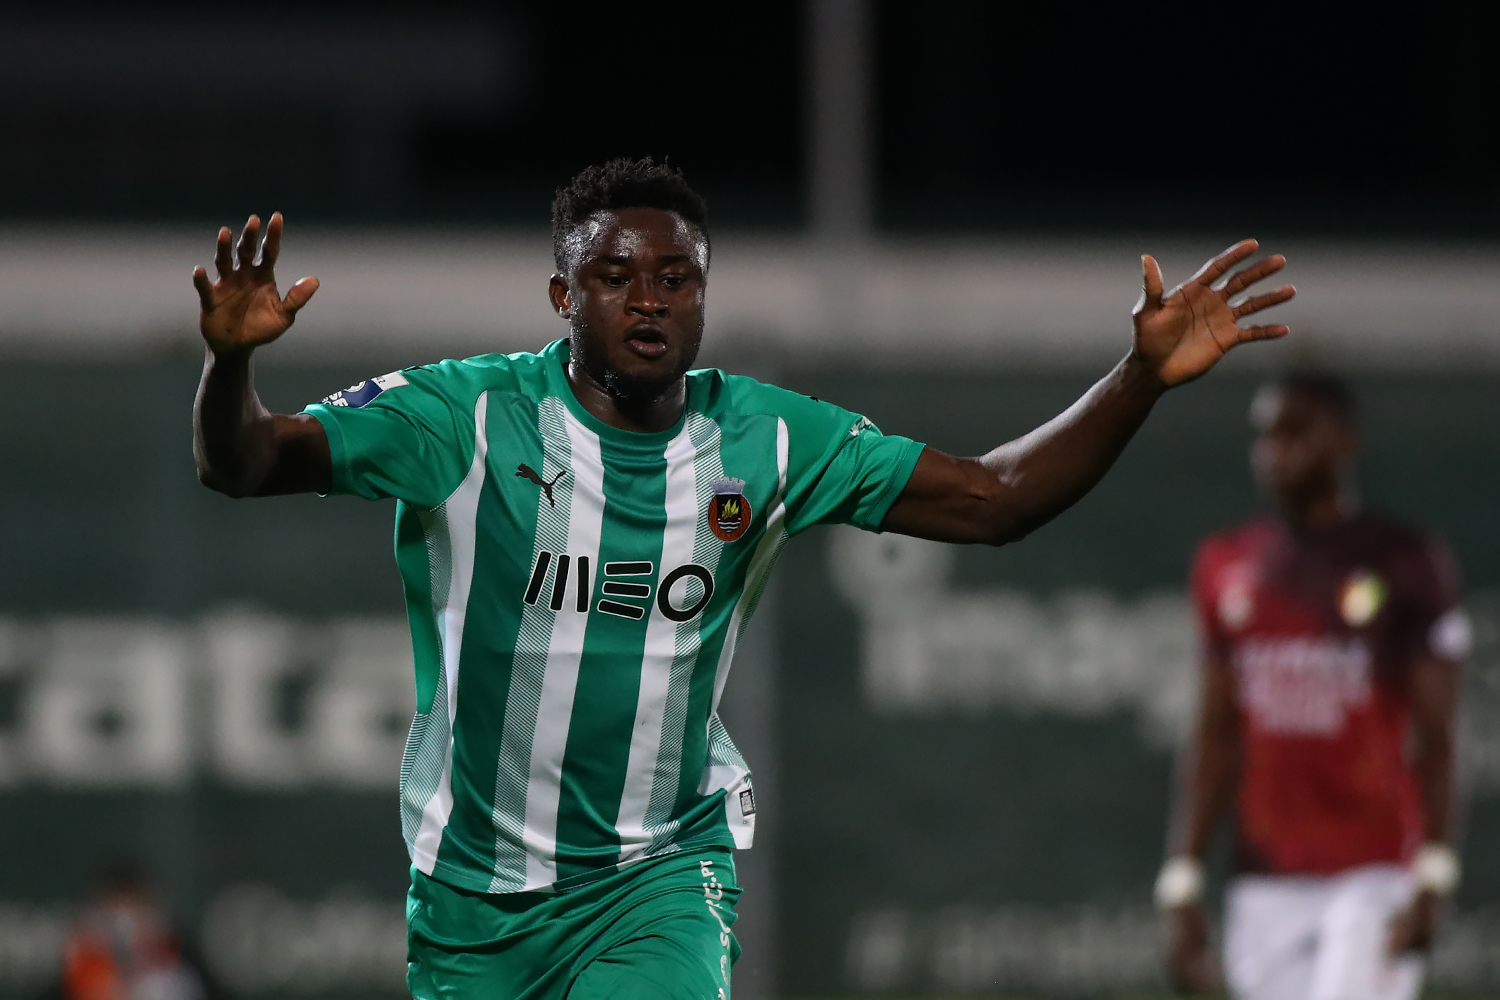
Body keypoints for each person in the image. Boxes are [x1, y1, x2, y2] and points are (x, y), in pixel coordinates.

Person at [191, 157, 1293, 999]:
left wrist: (1140, 377)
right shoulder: (465, 415)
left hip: (655, 875)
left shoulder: (766, 439)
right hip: (473, 898)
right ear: (563, 294)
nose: (650, 300)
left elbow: (994, 499)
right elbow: (242, 464)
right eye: (616, 277)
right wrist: (232, 360)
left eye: (676, 278)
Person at [1156, 375, 1468, 1000]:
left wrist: (1434, 875)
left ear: (1344, 441)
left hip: (1373, 870)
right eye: (1266, 436)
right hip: (1264, 877)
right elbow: (1215, 735)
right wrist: (1182, 878)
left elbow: (1438, 737)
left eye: (1296, 433)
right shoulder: (1228, 563)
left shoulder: (1404, 562)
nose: (1275, 452)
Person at [61, 863, 204, 1000]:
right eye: (113, 906)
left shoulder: (173, 977)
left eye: (130, 904)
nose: (122, 920)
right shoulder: (86, 965)